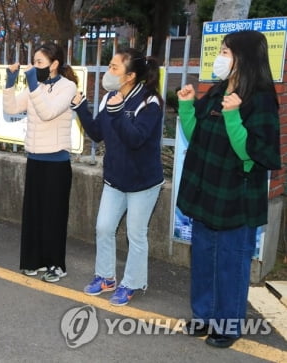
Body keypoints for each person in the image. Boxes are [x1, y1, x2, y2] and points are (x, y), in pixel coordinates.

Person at [177, 30, 280, 348]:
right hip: (208, 191)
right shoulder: (218, 90)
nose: (219, 57)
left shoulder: (260, 98)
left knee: (232, 263)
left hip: (236, 196)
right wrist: (185, 108)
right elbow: (196, 135)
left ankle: (228, 324)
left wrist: (234, 117)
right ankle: (203, 315)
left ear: (243, 58)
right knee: (204, 257)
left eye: (225, 52)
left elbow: (253, 152)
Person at [72, 48, 164, 304]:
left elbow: (135, 140)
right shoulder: (109, 97)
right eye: (109, 66)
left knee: (136, 234)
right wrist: (81, 109)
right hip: (115, 178)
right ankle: (105, 277)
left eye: (114, 68)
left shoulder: (150, 102)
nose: (108, 72)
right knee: (103, 227)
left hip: (143, 182)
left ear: (130, 75)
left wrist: (118, 113)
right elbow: (97, 133)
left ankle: (131, 283)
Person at [2, 42, 78, 282]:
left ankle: (56, 264)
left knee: (53, 215)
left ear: (54, 64)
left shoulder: (68, 87)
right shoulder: (37, 87)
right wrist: (10, 82)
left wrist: (33, 84)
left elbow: (48, 113)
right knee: (33, 214)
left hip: (57, 162)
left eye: (40, 63)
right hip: (34, 159)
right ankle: (33, 261)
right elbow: (11, 108)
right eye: (34, 62)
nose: (35, 67)